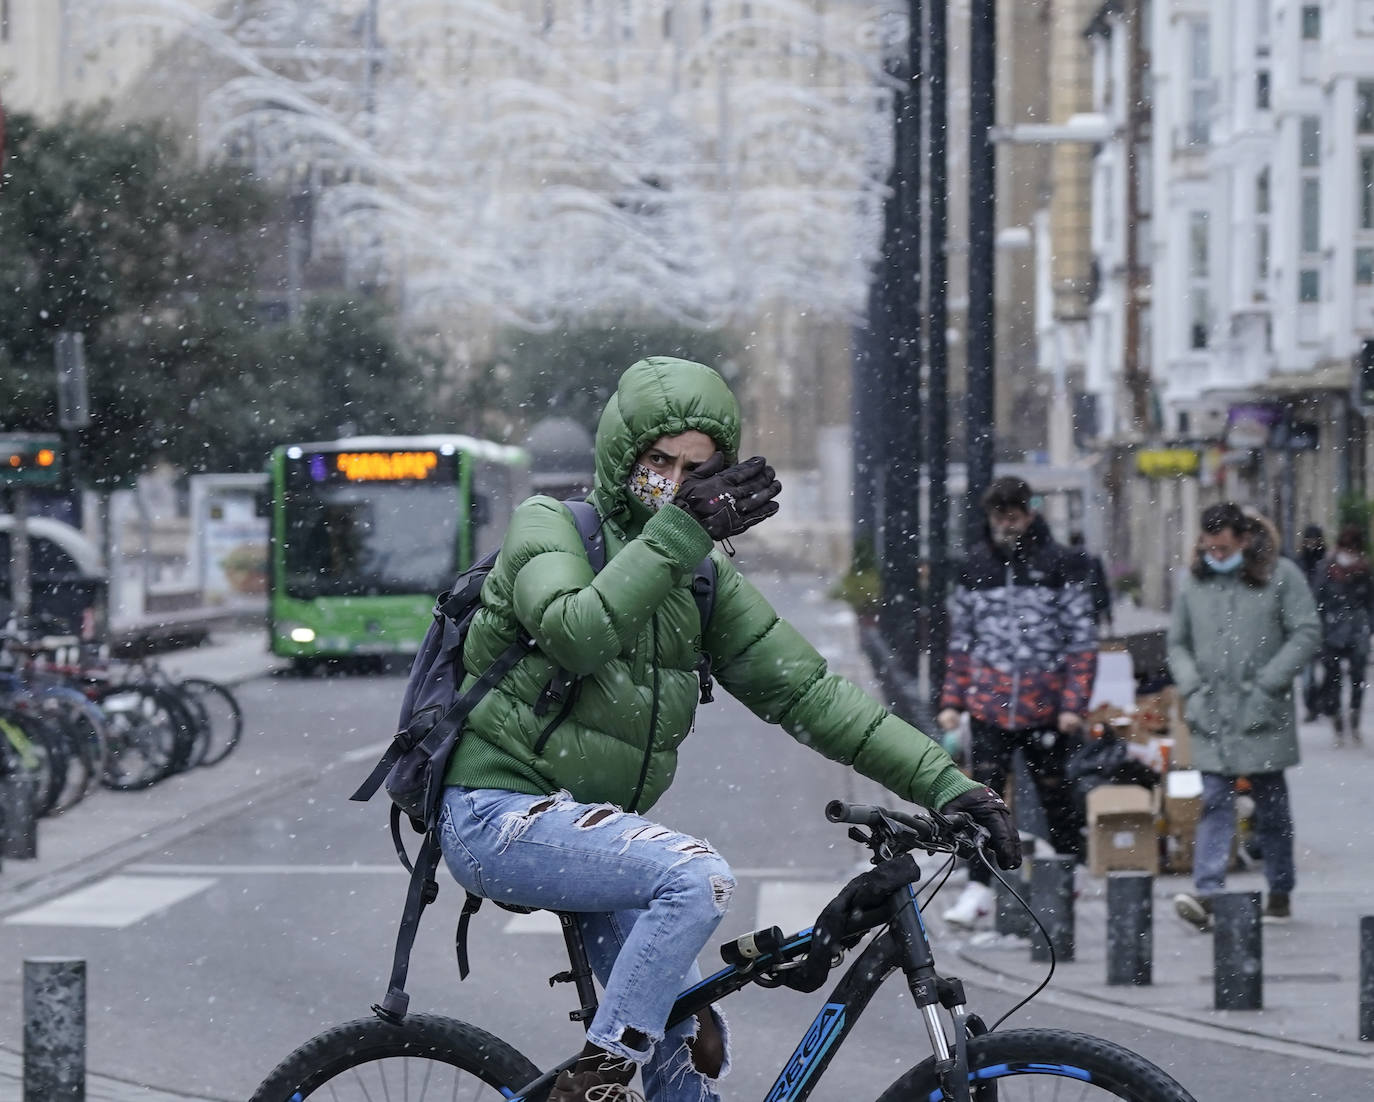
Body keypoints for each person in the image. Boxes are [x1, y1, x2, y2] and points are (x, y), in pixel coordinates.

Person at [436, 357, 1021, 1102]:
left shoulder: (702, 580)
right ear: (623, 455)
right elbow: (574, 633)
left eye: (695, 469)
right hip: (497, 814)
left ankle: (629, 1065)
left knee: (685, 1048)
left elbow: (813, 695)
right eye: (658, 460)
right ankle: (600, 1074)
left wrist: (953, 786)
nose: (673, 479)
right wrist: (680, 533)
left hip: (592, 830)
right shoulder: (550, 526)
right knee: (694, 876)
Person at [935, 476, 1098, 929]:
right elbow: (962, 641)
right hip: (989, 705)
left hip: (1045, 706)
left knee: (1056, 793)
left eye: (1013, 514)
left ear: (1029, 513)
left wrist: (1073, 704)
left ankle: (1070, 868)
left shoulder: (1061, 564)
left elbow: (1081, 641)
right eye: (998, 515)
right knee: (983, 797)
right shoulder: (974, 568)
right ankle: (979, 885)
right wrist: (954, 699)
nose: (1006, 524)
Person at [1167, 503, 1318, 930]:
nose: (1216, 556)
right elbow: (1177, 643)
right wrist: (1192, 687)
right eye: (1210, 548)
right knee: (1214, 801)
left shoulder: (1281, 575)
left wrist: (1268, 683)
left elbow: (1306, 632)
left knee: (1272, 808)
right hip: (1211, 712)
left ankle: (1280, 890)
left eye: (1224, 548)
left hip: (1261, 712)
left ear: (1244, 540)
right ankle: (1208, 892)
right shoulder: (1194, 584)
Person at [1314, 524, 1373, 745]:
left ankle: (1354, 718)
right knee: (1333, 678)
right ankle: (1337, 719)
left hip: (1357, 628)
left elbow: (1370, 600)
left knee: (1358, 677)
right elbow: (1318, 597)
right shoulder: (1328, 567)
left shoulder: (1363, 569)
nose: (1350, 553)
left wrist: (1369, 626)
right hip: (1332, 628)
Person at [1294, 524, 1328, 722]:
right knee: (1307, 674)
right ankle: (1312, 705)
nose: (1312, 544)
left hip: (1326, 625)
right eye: (1309, 540)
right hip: (1304, 625)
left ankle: (1319, 703)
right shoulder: (1300, 564)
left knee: (1329, 670)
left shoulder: (1327, 564)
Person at [1069, 531, 1113, 635]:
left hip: (1076, 597)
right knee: (1093, 622)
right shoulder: (1092, 559)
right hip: (1092, 595)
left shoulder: (1066, 558)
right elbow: (1101, 579)